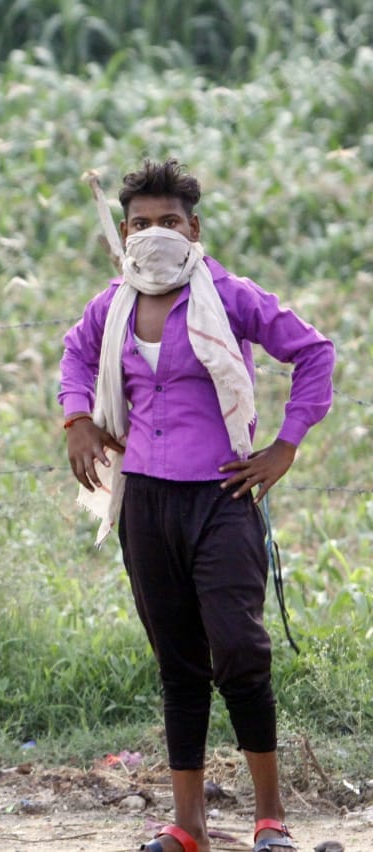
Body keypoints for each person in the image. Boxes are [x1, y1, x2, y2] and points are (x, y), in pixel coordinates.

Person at [59, 159, 334, 852]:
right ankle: (189, 826)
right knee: (177, 660)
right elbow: (75, 357)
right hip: (145, 502)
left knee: (239, 649)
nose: (155, 235)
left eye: (169, 223)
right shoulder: (113, 302)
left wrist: (284, 445)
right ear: (122, 233)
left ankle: (270, 819)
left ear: (195, 229)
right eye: (141, 224)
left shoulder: (230, 295)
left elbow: (315, 354)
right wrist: (77, 420)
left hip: (223, 495)